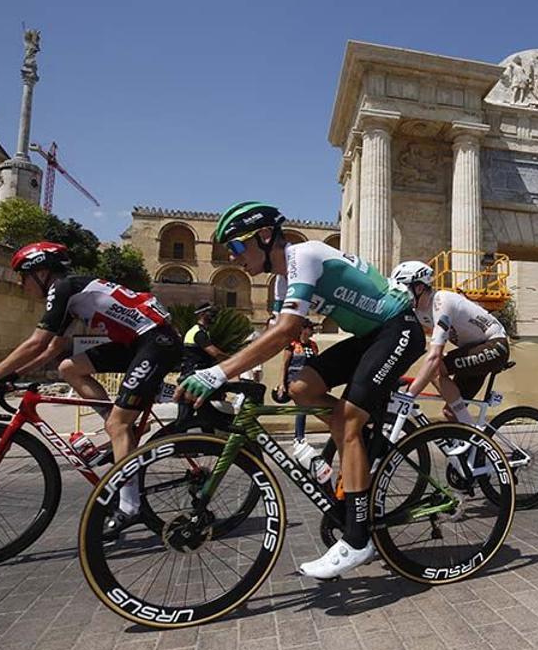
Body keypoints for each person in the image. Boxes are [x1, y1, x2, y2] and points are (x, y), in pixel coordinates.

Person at [176, 202, 423, 580]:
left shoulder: (302, 255)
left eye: (237, 247)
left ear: (264, 236)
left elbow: (289, 329)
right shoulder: (280, 282)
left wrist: (217, 373)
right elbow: (272, 338)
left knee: (349, 422)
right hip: (371, 336)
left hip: (398, 329)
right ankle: (354, 450)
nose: (232, 257)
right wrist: (243, 379)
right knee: (301, 386)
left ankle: (358, 540)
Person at [0, 241, 181, 538]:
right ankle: (116, 424)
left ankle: (129, 505)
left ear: (40, 272)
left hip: (156, 342)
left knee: (118, 425)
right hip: (137, 342)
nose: (22, 285)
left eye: (23, 277)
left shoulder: (62, 288)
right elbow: (50, 350)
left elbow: (35, 341)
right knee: (69, 367)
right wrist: (12, 377)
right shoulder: (71, 292)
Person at [391, 260, 510, 425]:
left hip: (496, 346)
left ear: (419, 288)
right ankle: (473, 439)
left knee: (435, 368)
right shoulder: (419, 312)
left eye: (404, 289)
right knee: (451, 411)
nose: (401, 295)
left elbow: (434, 357)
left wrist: (410, 395)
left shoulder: (441, 301)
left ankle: (472, 435)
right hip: (474, 350)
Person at [279, 318, 319, 446]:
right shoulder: (292, 345)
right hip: (294, 380)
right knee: (302, 406)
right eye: (310, 328)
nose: (312, 331)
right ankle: (299, 436)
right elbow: (284, 365)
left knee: (304, 407)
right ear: (303, 330)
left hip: (308, 380)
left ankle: (299, 435)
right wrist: (281, 383)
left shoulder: (313, 345)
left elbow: (317, 364)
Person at [180, 302, 228, 378]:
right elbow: (216, 354)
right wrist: (233, 361)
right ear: (201, 314)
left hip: (194, 372)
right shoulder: (198, 333)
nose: (214, 316)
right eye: (211, 313)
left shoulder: (201, 331)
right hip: (195, 374)